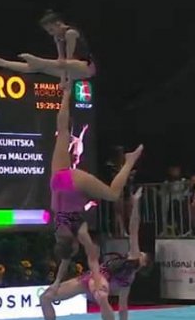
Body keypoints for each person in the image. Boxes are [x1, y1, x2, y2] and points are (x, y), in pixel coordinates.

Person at [48, 82, 142, 302]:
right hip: (57, 180)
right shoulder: (58, 232)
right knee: (62, 132)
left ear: (74, 244)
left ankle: (129, 161)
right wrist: (56, 282)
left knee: (112, 194)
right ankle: (66, 92)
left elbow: (93, 256)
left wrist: (98, 278)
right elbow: (64, 255)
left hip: (73, 184)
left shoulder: (77, 230)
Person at [36, 188, 149, 320]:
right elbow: (133, 229)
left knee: (102, 296)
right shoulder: (129, 267)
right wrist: (135, 203)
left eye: (143, 255)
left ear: (143, 263)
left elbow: (123, 308)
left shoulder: (131, 272)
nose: (140, 252)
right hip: (88, 279)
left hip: (99, 280)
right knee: (45, 297)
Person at [0, 10, 96, 86]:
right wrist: (63, 80)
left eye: (51, 30)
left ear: (59, 24)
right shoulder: (57, 37)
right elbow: (60, 59)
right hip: (73, 72)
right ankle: (3, 62)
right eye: (48, 31)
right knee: (37, 68)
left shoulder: (71, 33)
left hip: (85, 68)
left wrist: (67, 81)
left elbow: (68, 60)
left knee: (61, 63)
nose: (50, 33)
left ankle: (39, 61)